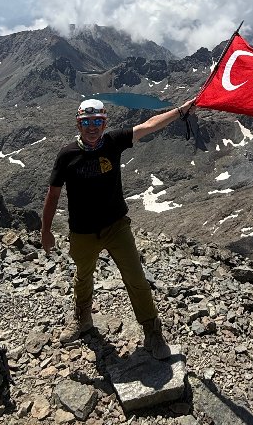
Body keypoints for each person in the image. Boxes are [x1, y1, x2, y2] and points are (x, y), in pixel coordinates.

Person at [41, 98, 196, 360]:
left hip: (116, 227)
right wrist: (45, 231)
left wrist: (181, 111)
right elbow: (53, 195)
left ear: (105, 123)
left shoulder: (113, 142)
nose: (92, 127)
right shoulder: (67, 155)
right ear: (79, 124)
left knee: (135, 278)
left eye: (97, 122)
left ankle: (152, 331)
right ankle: (83, 319)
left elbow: (149, 126)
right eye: (87, 122)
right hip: (83, 232)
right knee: (83, 276)